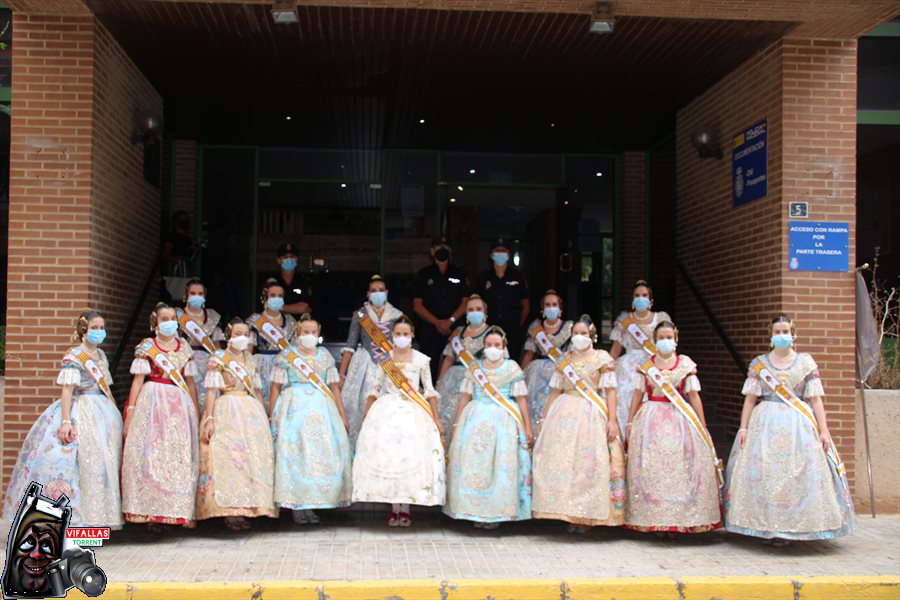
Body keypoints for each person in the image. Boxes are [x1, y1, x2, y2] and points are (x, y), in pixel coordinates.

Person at [724, 315, 856, 545]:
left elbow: (815, 400)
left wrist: (824, 430)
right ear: (771, 335)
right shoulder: (760, 364)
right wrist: (743, 427)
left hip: (799, 426)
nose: (781, 335)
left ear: (793, 334)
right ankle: (765, 527)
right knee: (765, 473)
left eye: (785, 331)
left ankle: (793, 528)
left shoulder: (806, 363)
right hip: (764, 423)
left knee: (797, 473)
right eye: (777, 331)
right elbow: (750, 399)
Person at [2, 310, 123, 530]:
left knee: (98, 467)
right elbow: (67, 391)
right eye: (94, 328)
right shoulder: (74, 356)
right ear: (83, 330)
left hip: (101, 413)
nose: (99, 332)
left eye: (101, 328)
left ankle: (95, 521)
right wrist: (66, 421)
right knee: (70, 464)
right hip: (78, 410)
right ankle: (69, 523)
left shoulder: (101, 356)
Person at [624, 321, 721, 536]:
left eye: (669, 337)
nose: (665, 341)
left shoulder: (685, 365)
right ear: (655, 340)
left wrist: (702, 427)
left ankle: (677, 519)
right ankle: (655, 520)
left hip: (679, 419)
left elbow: (694, 396)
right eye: (661, 338)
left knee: (678, 468)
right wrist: (630, 421)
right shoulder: (645, 365)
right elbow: (637, 395)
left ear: (676, 340)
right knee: (653, 468)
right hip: (650, 420)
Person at [532, 315, 624, 533]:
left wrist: (612, 420)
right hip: (564, 412)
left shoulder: (602, 358)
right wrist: (544, 418)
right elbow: (555, 391)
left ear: (591, 335)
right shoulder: (564, 360)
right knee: (565, 463)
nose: (579, 337)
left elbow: (611, 391)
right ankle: (566, 513)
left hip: (592, 414)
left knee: (588, 464)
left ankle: (587, 516)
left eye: (583, 333)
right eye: (575, 334)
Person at [352, 316, 445, 527]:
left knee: (411, 456)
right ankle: (394, 508)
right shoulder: (385, 360)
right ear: (392, 336)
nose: (401, 337)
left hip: (414, 411)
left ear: (412, 335)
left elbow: (429, 391)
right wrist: (366, 416)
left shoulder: (422, 360)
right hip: (387, 409)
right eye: (398, 334)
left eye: (405, 334)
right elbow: (374, 389)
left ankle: (407, 508)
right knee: (390, 457)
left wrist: (437, 420)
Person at [121, 302, 200, 532]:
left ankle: (177, 510)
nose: (169, 322)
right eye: (164, 319)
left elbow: (191, 383)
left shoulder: (184, 347)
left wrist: (195, 410)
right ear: (155, 323)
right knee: (151, 454)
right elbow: (137, 381)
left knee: (177, 455)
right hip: (152, 401)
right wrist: (131, 411)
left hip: (178, 405)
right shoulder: (147, 347)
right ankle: (152, 513)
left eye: (172, 318)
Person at [444, 326, 532, 529]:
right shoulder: (474, 368)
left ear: (504, 347)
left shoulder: (512, 368)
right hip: (475, 417)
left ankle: (496, 513)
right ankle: (474, 511)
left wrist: (527, 426)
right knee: (474, 464)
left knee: (500, 467)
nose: (493, 348)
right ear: (483, 347)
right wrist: (457, 423)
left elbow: (521, 399)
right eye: (489, 345)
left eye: (497, 345)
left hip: (504, 421)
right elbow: (465, 396)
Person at [269, 314, 352, 525]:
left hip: (322, 410)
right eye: (305, 332)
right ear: (298, 334)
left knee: (320, 455)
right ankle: (297, 505)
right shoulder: (287, 356)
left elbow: (334, 387)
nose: (309, 336)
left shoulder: (325, 356)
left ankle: (314, 503)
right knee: (297, 456)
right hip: (293, 410)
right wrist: (273, 415)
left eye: (313, 332)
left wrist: (342, 415)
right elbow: (276, 388)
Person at [196, 319, 277, 531]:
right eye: (238, 333)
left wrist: (264, 414)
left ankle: (248, 507)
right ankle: (230, 512)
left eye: (246, 334)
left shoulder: (251, 360)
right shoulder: (219, 358)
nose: (243, 337)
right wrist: (210, 418)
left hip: (250, 411)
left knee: (251, 459)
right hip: (226, 408)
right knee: (229, 459)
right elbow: (212, 390)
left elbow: (257, 391)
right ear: (229, 335)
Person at [338, 274, 404, 447]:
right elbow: (350, 345)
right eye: (373, 291)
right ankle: (360, 447)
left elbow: (402, 346)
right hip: (363, 363)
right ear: (367, 294)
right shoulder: (360, 315)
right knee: (359, 405)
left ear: (387, 292)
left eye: (381, 290)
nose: (377, 293)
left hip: (388, 363)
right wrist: (342, 375)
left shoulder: (397, 315)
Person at [609, 280, 672, 435]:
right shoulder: (625, 321)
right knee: (623, 402)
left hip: (652, 365)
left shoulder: (660, 318)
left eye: (644, 295)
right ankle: (624, 440)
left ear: (650, 299)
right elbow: (616, 350)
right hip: (626, 369)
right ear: (632, 299)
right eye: (637, 295)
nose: (640, 298)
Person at [412, 235, 470, 380]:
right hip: (429, 329)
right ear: (432, 251)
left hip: (454, 328)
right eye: (438, 247)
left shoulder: (460, 274)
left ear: (450, 251)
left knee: (455, 364)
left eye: (445, 247)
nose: (442, 250)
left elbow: (466, 302)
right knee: (427, 366)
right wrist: (437, 322)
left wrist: (450, 321)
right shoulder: (423, 274)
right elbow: (417, 305)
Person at [435, 294, 493, 437]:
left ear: (485, 312)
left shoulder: (492, 332)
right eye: (471, 309)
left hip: (478, 379)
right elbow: (449, 358)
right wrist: (439, 383)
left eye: (478, 309)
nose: (474, 312)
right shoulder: (458, 332)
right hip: (453, 380)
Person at [521, 290, 574, 431]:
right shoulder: (536, 329)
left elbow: (573, 354)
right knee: (536, 407)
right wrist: (519, 376)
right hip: (537, 375)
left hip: (560, 373)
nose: (551, 308)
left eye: (554, 304)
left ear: (560, 308)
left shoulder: (569, 328)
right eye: (547, 305)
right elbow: (529, 354)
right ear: (542, 309)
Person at [247, 279, 298, 415]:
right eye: (273, 296)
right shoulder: (255, 321)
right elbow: (248, 350)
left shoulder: (291, 322)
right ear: (265, 298)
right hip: (261, 366)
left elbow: (295, 349)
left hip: (283, 366)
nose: (277, 299)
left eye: (280, 296)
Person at [474, 238, 530, 360]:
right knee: (488, 359)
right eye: (497, 250)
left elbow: (525, 306)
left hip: (512, 329)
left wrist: (517, 325)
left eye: (503, 250)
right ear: (491, 254)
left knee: (511, 360)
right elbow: (475, 303)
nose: (500, 253)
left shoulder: (517, 277)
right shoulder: (483, 277)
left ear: (508, 254)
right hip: (488, 328)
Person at [179, 278, 225, 415]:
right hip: (185, 363)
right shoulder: (177, 316)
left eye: (200, 293)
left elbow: (217, 346)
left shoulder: (212, 316)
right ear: (186, 295)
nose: (196, 296)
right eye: (193, 293)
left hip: (207, 365)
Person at [267, 242, 311, 317]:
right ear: (278, 260)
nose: (289, 259)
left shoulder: (304, 281)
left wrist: (277, 307)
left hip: (298, 326)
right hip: (275, 325)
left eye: (292, 256)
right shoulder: (272, 282)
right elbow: (266, 306)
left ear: (297, 259)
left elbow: (303, 308)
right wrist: (293, 308)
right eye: (285, 257)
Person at [161, 210, 197, 277]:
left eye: (187, 219)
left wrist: (194, 251)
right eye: (183, 219)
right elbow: (166, 253)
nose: (186, 221)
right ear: (177, 221)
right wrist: (177, 261)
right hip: (177, 269)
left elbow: (191, 257)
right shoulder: (172, 236)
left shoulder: (188, 239)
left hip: (187, 270)